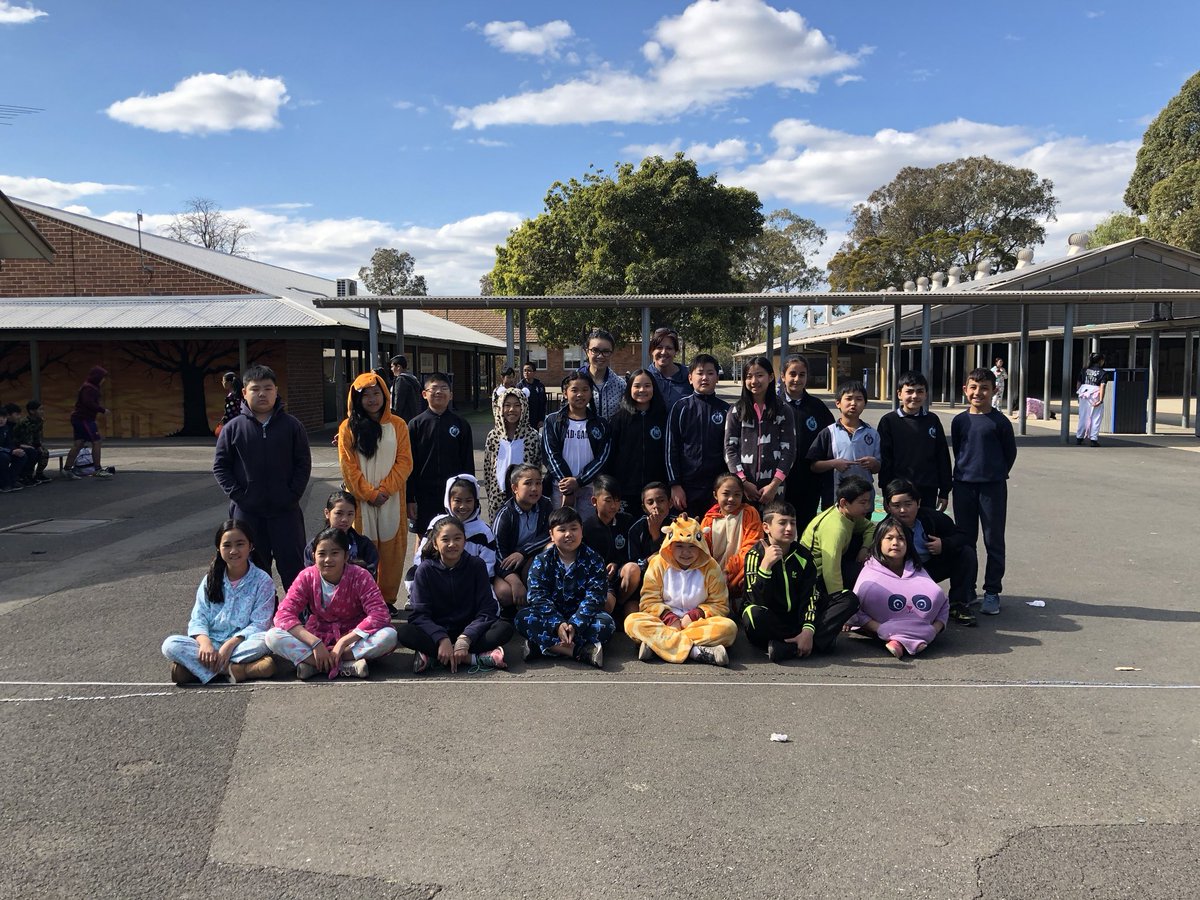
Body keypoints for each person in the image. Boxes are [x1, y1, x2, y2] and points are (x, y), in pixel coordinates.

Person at [212, 365, 311, 589]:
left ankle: (298, 617)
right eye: (255, 389)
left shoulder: (292, 426)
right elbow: (221, 467)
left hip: (286, 511)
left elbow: (303, 464)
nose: (262, 394)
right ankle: (260, 617)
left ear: (276, 390)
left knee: (294, 568)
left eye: (268, 388)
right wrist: (240, 496)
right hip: (247, 513)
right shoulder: (233, 428)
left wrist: (292, 494)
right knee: (252, 568)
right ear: (244, 393)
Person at [264, 527, 398, 679]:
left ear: (346, 556)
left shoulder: (360, 575)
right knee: (272, 636)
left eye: (335, 553)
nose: (328, 559)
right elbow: (283, 614)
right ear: (313, 556)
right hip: (318, 635)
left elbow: (380, 614)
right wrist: (315, 643)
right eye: (322, 554)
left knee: (389, 635)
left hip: (352, 638)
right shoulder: (306, 576)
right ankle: (343, 665)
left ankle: (317, 665)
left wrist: (343, 642)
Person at [161, 520, 277, 685]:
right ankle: (235, 670)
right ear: (218, 548)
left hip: (241, 644)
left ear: (250, 546)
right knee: (170, 645)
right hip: (211, 643)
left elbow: (260, 622)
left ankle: (196, 670)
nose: (234, 551)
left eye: (240, 544)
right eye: (227, 545)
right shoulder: (211, 578)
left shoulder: (262, 580)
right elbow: (198, 617)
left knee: (267, 640)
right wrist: (205, 643)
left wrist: (229, 645)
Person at [743, 500, 857, 661]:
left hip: (798, 619)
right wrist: (765, 567)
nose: (789, 528)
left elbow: (810, 596)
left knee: (848, 598)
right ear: (766, 527)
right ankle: (814, 643)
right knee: (752, 613)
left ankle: (793, 646)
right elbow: (754, 598)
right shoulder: (755, 555)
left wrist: (808, 629)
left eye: (793, 523)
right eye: (782, 523)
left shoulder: (803, 556)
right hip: (773, 621)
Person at [399, 516, 513, 673]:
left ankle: (437, 657)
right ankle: (473, 658)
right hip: (437, 632)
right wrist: (441, 638)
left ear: (465, 541)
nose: (452, 544)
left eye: (457, 538)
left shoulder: (476, 565)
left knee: (504, 628)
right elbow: (419, 615)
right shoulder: (425, 570)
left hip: (470, 632)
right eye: (445, 539)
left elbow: (487, 609)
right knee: (405, 633)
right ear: (435, 544)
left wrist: (466, 637)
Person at [338, 372, 413, 610]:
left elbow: (405, 462)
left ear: (385, 394)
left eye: (376, 393)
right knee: (362, 549)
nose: (372, 399)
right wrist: (369, 494)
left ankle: (387, 599)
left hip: (391, 498)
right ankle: (363, 598)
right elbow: (348, 467)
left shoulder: (398, 425)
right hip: (361, 501)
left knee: (392, 550)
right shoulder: (348, 427)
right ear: (356, 399)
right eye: (366, 395)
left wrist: (385, 490)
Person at [624, 513, 737, 666]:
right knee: (632, 622)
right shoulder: (658, 563)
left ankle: (659, 646)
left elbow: (720, 604)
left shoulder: (711, 567)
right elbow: (648, 601)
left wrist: (695, 615)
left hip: (698, 623)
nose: (686, 552)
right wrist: (669, 618)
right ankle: (696, 652)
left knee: (728, 628)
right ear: (670, 545)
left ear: (700, 545)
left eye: (692, 546)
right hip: (664, 622)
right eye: (679, 546)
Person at [952, 368, 1017, 616]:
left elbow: (1009, 454)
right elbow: (959, 450)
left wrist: (994, 473)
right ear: (965, 390)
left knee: (993, 540)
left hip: (992, 488)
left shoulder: (1000, 422)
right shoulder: (960, 421)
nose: (978, 392)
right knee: (966, 541)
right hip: (963, 486)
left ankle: (992, 591)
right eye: (974, 387)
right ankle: (967, 590)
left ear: (994, 390)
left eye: (984, 388)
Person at [514, 506, 615, 667]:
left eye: (574, 528)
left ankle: (541, 647)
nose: (569, 534)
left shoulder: (594, 559)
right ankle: (579, 652)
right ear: (552, 535)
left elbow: (595, 597)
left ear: (582, 531)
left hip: (581, 617)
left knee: (606, 624)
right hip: (551, 617)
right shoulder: (542, 560)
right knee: (522, 619)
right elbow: (537, 596)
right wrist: (557, 624)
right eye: (562, 530)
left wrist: (575, 624)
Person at [848, 516, 948, 658]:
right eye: (889, 538)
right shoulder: (870, 573)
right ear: (878, 542)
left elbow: (942, 602)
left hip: (924, 629)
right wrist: (881, 629)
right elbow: (855, 609)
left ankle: (900, 641)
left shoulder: (917, 569)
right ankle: (904, 639)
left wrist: (934, 629)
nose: (895, 543)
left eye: (901, 538)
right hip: (881, 629)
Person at [883, 479, 978, 627]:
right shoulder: (884, 529)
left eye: (908, 504)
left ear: (918, 503)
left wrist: (944, 544)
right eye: (896, 506)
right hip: (903, 575)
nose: (903, 510)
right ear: (887, 507)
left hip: (929, 568)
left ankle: (958, 603)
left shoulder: (931, 517)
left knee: (966, 553)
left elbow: (963, 536)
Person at [407, 474, 505, 603]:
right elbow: (422, 555)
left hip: (470, 582)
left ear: (476, 501)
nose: (463, 506)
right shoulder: (437, 523)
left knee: (490, 604)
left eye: (468, 501)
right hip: (438, 577)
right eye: (457, 501)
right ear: (448, 500)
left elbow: (488, 566)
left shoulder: (483, 531)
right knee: (412, 576)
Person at [406, 372, 474, 535]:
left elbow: (467, 464)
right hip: (424, 495)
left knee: (454, 536)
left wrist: (469, 495)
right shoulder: (415, 425)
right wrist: (410, 498)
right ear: (424, 394)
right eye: (434, 388)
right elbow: (409, 465)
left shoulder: (461, 424)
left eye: (444, 388)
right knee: (425, 537)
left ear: (450, 395)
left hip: (454, 495)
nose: (439, 392)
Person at [724, 355, 795, 508]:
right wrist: (743, 482)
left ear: (770, 377)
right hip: (742, 489)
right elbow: (730, 449)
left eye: (759, 375)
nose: (754, 381)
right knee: (746, 530)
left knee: (773, 528)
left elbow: (788, 451)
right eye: (749, 376)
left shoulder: (783, 410)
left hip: (775, 489)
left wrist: (774, 485)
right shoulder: (737, 410)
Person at [666, 354, 730, 518]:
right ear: (690, 378)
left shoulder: (727, 410)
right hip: (686, 488)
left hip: (716, 489)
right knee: (686, 536)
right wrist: (675, 484)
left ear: (717, 377)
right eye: (700, 373)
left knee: (713, 536)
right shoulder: (681, 408)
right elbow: (670, 448)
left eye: (710, 373)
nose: (704, 378)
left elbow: (731, 450)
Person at [877, 371, 951, 511]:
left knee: (926, 528)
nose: (915, 396)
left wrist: (944, 490)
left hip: (928, 488)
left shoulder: (932, 420)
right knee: (900, 530)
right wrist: (886, 492)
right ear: (899, 394)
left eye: (919, 391)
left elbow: (942, 456)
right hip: (898, 490)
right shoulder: (889, 421)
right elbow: (885, 460)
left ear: (925, 394)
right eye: (909, 391)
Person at [542, 371, 611, 522]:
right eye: (574, 390)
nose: (580, 394)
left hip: (589, 488)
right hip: (560, 487)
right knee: (562, 529)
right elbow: (550, 455)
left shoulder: (601, 424)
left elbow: (603, 458)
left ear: (591, 393)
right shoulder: (553, 421)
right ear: (565, 393)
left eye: (585, 390)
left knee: (586, 530)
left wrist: (579, 481)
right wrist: (568, 484)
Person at [800, 474, 877, 604]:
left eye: (869, 501)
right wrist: (839, 603)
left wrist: (864, 549)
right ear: (844, 503)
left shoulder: (850, 514)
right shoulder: (835, 529)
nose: (868, 507)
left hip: (835, 564)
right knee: (868, 574)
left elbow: (870, 528)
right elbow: (831, 571)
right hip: (815, 578)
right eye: (862, 502)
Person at [604, 368, 669, 514]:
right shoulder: (619, 419)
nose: (642, 390)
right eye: (637, 386)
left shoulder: (664, 418)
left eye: (647, 385)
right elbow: (610, 455)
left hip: (655, 491)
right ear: (629, 389)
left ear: (654, 388)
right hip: (626, 489)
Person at [779, 354, 835, 525]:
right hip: (779, 480)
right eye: (792, 374)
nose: (797, 379)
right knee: (780, 526)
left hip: (809, 481)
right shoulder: (774, 405)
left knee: (806, 527)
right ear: (783, 376)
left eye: (802, 374)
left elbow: (831, 439)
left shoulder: (817, 407)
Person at [806, 379, 880, 505]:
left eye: (859, 399)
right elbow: (813, 466)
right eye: (849, 398)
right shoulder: (828, 432)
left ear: (865, 404)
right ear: (838, 403)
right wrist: (833, 463)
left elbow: (877, 468)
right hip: (834, 498)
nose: (853, 403)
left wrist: (874, 463)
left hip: (864, 500)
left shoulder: (872, 434)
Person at [492, 463, 553, 608]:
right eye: (528, 483)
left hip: (530, 559)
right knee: (505, 594)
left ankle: (542, 605)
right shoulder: (505, 514)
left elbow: (550, 533)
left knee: (551, 548)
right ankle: (509, 617)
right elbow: (497, 551)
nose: (534, 488)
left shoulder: (546, 505)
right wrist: (514, 581)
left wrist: (523, 552)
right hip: (506, 565)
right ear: (515, 488)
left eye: (538, 483)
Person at [700, 472, 763, 610]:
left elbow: (751, 546)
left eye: (737, 495)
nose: (731, 499)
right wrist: (715, 575)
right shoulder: (708, 520)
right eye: (726, 494)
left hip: (739, 574)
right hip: (714, 577)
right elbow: (702, 552)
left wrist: (728, 571)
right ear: (715, 495)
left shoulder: (749, 513)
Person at [483, 387, 543, 520]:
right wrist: (491, 495)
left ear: (524, 408)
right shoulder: (493, 436)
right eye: (507, 405)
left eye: (517, 405)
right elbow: (487, 470)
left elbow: (538, 467)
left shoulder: (533, 437)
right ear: (500, 408)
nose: (512, 410)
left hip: (525, 497)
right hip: (498, 498)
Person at [582, 474, 638, 614]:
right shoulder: (586, 528)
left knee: (633, 569)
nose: (613, 506)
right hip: (598, 578)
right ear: (594, 501)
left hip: (620, 575)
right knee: (606, 604)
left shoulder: (627, 521)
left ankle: (620, 605)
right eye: (608, 500)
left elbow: (632, 552)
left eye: (617, 501)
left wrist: (616, 563)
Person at [303, 490, 380, 579]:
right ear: (327, 513)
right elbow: (310, 579)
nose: (345, 519)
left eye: (350, 514)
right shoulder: (313, 546)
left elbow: (369, 580)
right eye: (339, 513)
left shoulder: (365, 545)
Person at [626, 482, 676, 603]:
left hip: (673, 583)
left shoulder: (678, 524)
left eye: (661, 501)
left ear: (670, 503)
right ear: (644, 507)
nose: (656, 506)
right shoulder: (636, 529)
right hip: (644, 584)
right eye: (650, 502)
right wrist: (649, 560)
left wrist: (656, 536)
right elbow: (633, 562)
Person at [64, 365, 112, 479]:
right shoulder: (89, 388)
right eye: (102, 377)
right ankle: (98, 469)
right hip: (84, 419)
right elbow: (88, 403)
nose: (104, 380)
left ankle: (67, 469)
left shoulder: (90, 387)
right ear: (97, 377)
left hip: (80, 418)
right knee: (96, 441)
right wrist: (102, 410)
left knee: (79, 444)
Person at [579, 327, 625, 420]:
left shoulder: (621, 385)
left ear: (611, 353)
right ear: (587, 352)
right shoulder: (574, 382)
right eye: (595, 350)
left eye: (606, 351)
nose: (600, 356)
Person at [647, 326, 692, 410]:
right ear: (651, 351)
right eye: (659, 347)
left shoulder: (690, 376)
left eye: (669, 348)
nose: (663, 352)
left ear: (675, 352)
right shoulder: (644, 378)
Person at [13, 400, 51, 485]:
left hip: (32, 443)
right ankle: (25, 475)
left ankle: (39, 474)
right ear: (32, 411)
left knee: (44, 452)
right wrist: (20, 445)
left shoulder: (40, 420)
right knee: (32, 453)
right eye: (40, 409)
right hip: (21, 444)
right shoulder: (23, 422)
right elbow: (15, 436)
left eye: (42, 409)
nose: (42, 411)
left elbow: (37, 435)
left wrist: (39, 445)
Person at [1075, 352, 1109, 447]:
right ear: (1100, 361)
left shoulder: (1084, 370)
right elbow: (1102, 386)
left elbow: (1078, 383)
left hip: (1083, 393)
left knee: (1083, 416)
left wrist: (1079, 394)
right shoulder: (1103, 373)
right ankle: (1093, 439)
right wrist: (1101, 400)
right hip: (1095, 393)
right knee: (1096, 417)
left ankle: (1079, 437)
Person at [389, 354, 423, 423]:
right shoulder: (412, 378)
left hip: (403, 418)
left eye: (392, 366)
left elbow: (398, 400)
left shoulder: (401, 379)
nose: (391, 369)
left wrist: (395, 416)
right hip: (413, 416)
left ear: (398, 367)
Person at [518, 360, 548, 429]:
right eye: (524, 370)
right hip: (523, 422)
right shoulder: (519, 386)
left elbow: (543, 404)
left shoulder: (540, 386)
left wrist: (541, 419)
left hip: (536, 421)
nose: (526, 372)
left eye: (529, 370)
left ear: (534, 372)